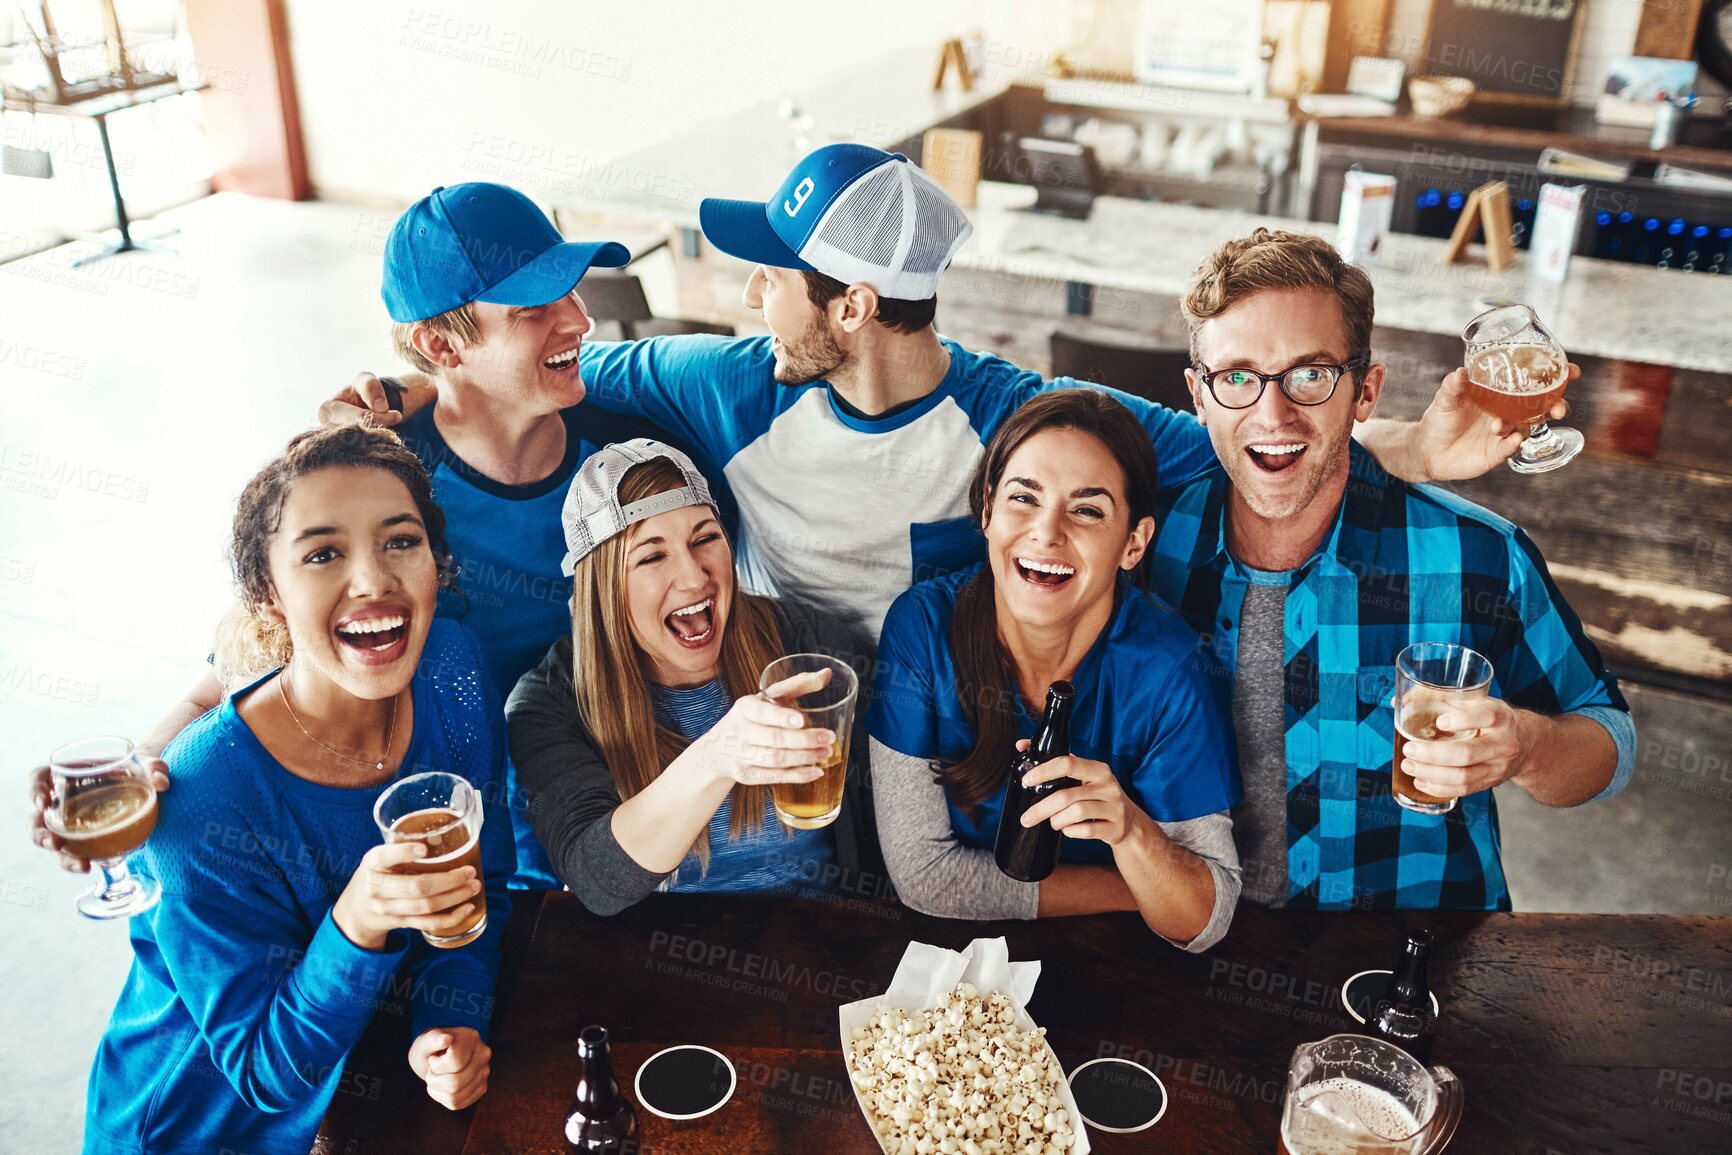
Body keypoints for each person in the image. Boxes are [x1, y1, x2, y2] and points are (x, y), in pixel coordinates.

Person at [321, 146, 1551, 650]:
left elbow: (1249, 438)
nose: (751, 299)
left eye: (776, 278)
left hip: (940, 736)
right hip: (766, 706)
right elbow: (538, 383)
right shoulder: (721, 384)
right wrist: (382, 402)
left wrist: (1416, 449)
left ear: (851, 306)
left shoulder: (1020, 421)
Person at [29, 182, 668, 889]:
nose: (579, 320)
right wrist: (144, 757)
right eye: (535, 309)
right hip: (454, 841)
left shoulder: (628, 453)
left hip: (618, 817)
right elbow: (259, 650)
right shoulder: (375, 482)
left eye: (573, 292)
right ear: (437, 343)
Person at [1150, 227, 1636, 910]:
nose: (1273, 412)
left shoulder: (1479, 555)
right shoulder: (1140, 542)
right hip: (1196, 937)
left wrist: (1526, 748)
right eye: (1236, 378)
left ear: (1366, 392)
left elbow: (1610, 741)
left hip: (1422, 953)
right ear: (1198, 397)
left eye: (1312, 374)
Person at [80, 425, 512, 1155]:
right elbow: (264, 1074)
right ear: (267, 595)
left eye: (400, 540)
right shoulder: (202, 800)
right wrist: (360, 916)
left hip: (365, 1095)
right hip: (201, 1127)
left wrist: (444, 1025)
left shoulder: (454, 670)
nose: (374, 579)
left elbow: (485, 887)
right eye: (322, 553)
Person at [868, 390, 1241, 951]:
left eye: (1087, 509)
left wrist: (1133, 833)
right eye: (1024, 499)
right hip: (955, 957)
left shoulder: (1171, 670)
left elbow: (1203, 922)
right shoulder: (921, 628)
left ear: (1134, 544)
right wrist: (1137, 887)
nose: (1047, 532)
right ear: (988, 512)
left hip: (1117, 960)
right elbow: (924, 878)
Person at [505, 440, 879, 913]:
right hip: (655, 957)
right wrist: (718, 756)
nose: (694, 577)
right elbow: (595, 880)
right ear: (603, 589)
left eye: (704, 539)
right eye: (651, 557)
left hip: (816, 940)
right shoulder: (547, 702)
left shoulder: (807, 643)